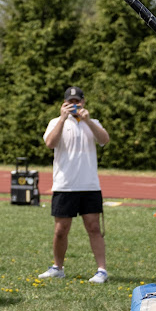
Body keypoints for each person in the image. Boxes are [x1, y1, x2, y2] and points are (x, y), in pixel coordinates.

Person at [38, 86, 110, 284]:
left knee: (94, 227)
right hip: (64, 185)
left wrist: (88, 121)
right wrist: (62, 119)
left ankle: (102, 270)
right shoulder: (56, 122)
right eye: (70, 102)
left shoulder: (92, 122)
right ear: (64, 104)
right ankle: (57, 267)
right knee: (61, 230)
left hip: (89, 185)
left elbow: (104, 140)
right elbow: (50, 143)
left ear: (84, 102)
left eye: (77, 101)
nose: (74, 105)